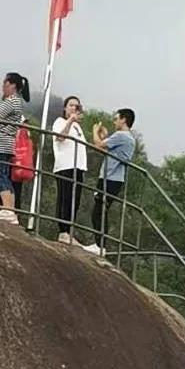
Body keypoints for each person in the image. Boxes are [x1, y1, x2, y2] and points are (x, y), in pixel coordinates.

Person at [84, 108, 136, 256]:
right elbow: (108, 150)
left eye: (116, 118)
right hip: (115, 178)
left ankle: (100, 246)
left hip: (110, 178)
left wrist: (95, 131)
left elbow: (98, 145)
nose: (114, 121)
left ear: (124, 120)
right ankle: (100, 244)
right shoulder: (128, 138)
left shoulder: (122, 135)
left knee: (99, 211)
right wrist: (105, 136)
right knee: (101, 209)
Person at [0, 73, 30, 224]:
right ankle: (9, 210)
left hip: (2, 142)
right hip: (4, 142)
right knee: (3, 175)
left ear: (12, 85)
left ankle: (8, 209)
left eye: (4, 84)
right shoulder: (15, 101)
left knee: (0, 175)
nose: (2, 87)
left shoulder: (13, 100)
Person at [51, 95, 88, 242]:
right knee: (65, 198)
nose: (74, 108)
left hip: (78, 166)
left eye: (77, 106)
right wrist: (70, 120)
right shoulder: (60, 122)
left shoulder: (78, 127)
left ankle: (69, 230)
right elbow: (60, 137)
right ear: (65, 108)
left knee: (75, 201)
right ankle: (63, 231)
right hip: (65, 165)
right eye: (71, 105)